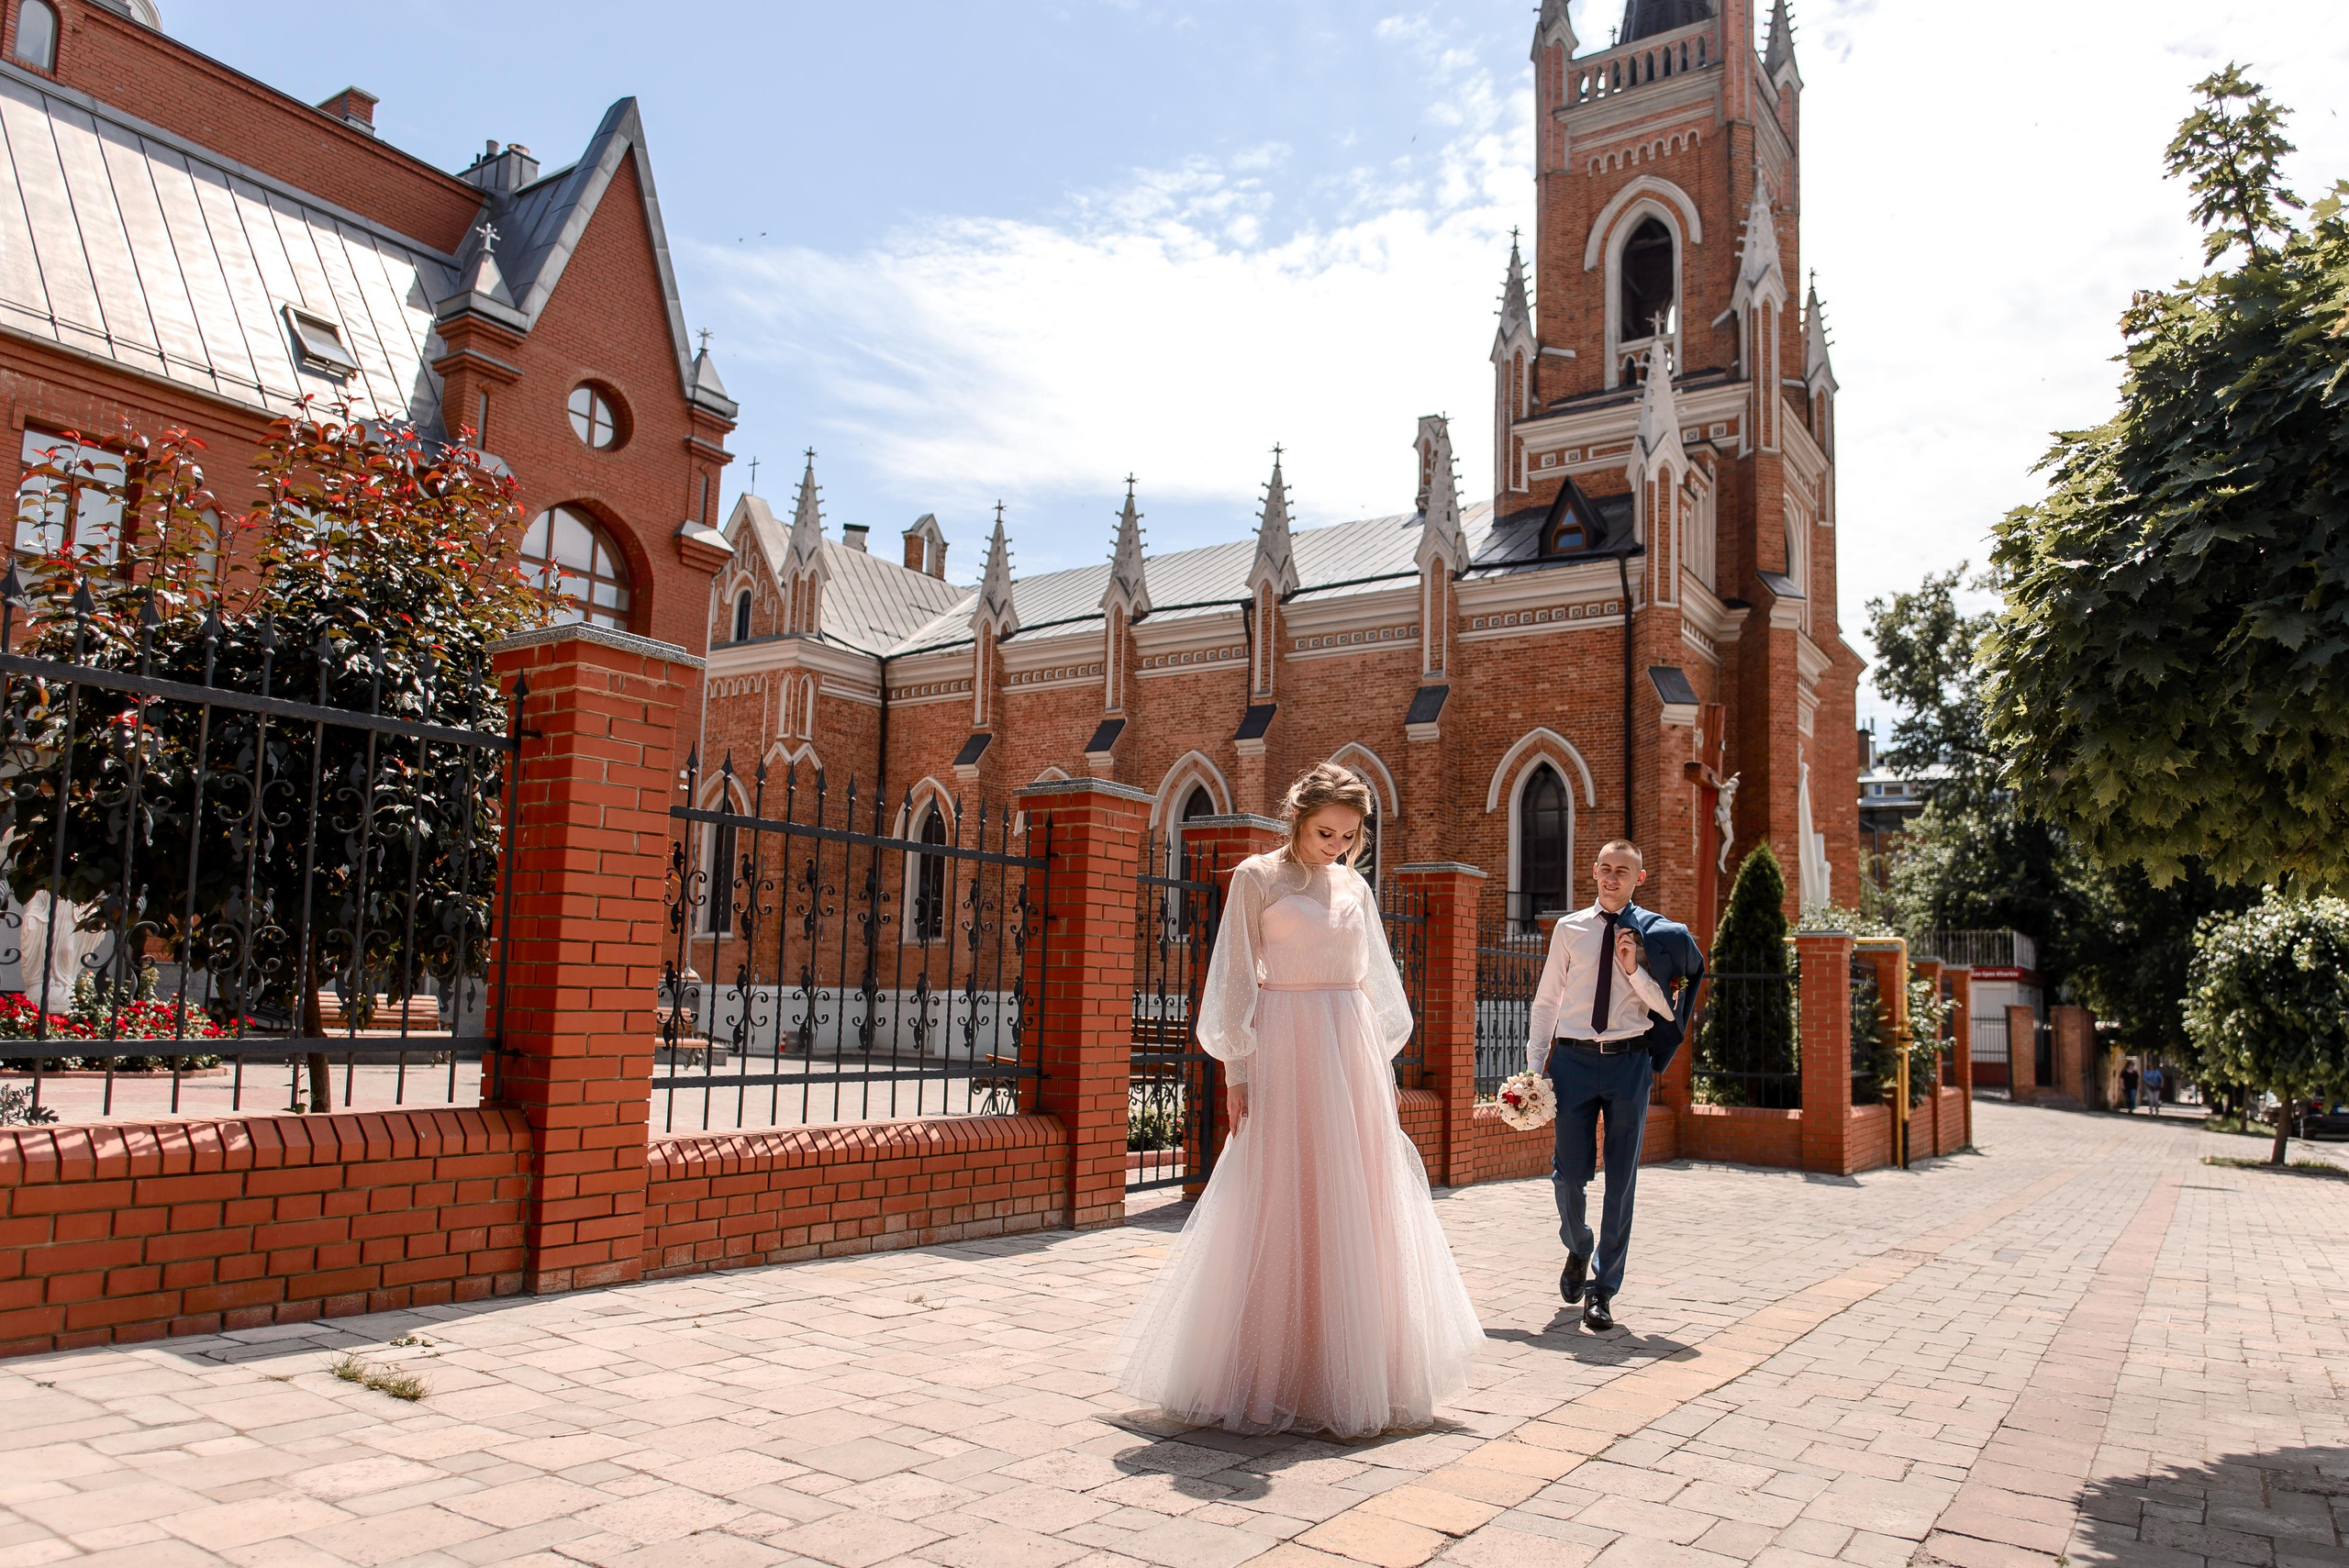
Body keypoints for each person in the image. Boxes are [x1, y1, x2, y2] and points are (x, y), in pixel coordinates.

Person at [1114, 763, 1483, 1437]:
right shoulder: (1257, 878)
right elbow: (1232, 980)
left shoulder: (1356, 886)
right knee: (1280, 1195)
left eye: (1348, 835)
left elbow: (1375, 980)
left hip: (1349, 1055)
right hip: (1284, 1048)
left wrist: (1372, 1063)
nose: (1336, 846)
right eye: (1325, 831)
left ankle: (1348, 1365)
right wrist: (1236, 1073)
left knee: (1354, 1199)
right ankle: (1271, 1367)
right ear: (1296, 816)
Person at [1526, 840, 1703, 1332]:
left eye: (1621, 871)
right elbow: (1546, 1002)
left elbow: (1669, 1009)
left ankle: (1603, 1291)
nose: (1610, 878)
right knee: (1568, 1175)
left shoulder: (1659, 936)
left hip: (1629, 1063)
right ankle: (1579, 1246)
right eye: (1604, 869)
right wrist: (1534, 1067)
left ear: (1638, 879)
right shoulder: (1569, 929)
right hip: (1573, 1064)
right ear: (1595, 872)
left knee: (1621, 1180)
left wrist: (1633, 969)